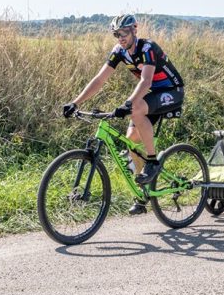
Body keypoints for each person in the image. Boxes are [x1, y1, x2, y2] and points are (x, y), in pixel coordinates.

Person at [62, 14, 185, 215]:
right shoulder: (119, 51)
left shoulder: (147, 48)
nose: (121, 37)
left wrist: (128, 103)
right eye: (117, 34)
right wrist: (75, 102)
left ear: (134, 30)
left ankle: (153, 162)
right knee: (131, 142)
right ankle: (143, 195)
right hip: (152, 94)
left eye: (124, 33)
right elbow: (99, 79)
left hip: (171, 91)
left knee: (135, 109)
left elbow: (145, 82)